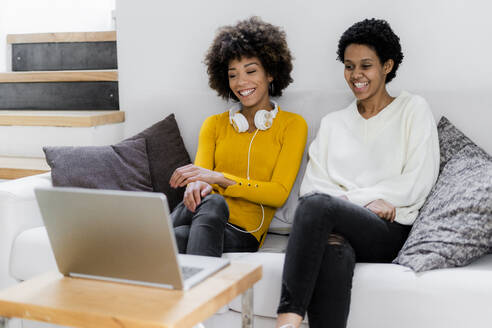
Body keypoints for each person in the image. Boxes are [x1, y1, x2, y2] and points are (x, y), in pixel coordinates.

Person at [275, 18, 440, 328]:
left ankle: (286, 320)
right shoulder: (333, 123)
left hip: (388, 229)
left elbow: (418, 178)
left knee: (318, 209)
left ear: (387, 65)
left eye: (366, 65)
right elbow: (312, 188)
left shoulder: (412, 109)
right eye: (349, 66)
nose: (356, 75)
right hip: (339, 226)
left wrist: (346, 205)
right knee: (333, 248)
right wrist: (362, 204)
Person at [169, 16, 307, 257]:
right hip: (199, 215)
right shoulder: (214, 125)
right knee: (198, 211)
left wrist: (220, 179)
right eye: (233, 75)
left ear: (270, 73)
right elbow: (201, 179)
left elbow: (278, 193)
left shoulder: (292, 125)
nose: (241, 82)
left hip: (243, 232)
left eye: (251, 71)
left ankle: (132, 248)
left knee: (201, 214)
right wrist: (195, 184)